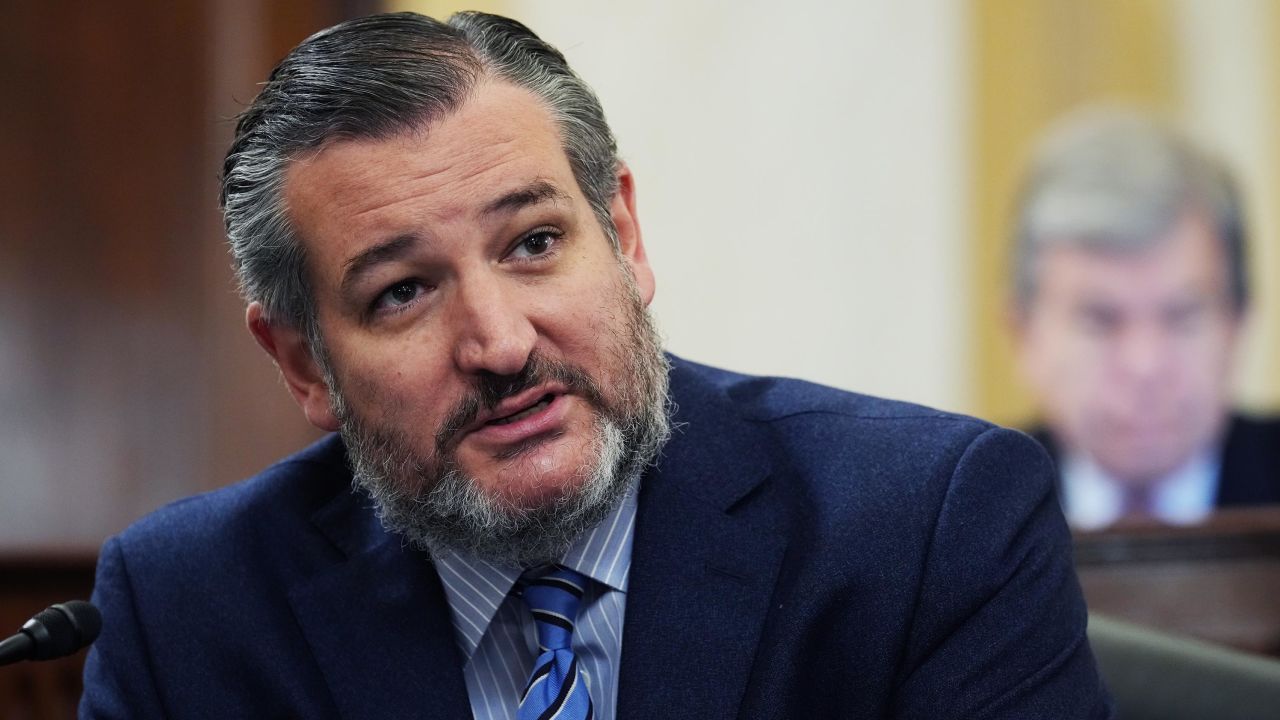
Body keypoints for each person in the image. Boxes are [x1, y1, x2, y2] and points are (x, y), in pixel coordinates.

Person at [80, 12, 1112, 718]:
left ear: (622, 232)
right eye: (402, 292)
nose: (500, 343)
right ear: (305, 364)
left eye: (533, 243)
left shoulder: (926, 528)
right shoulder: (191, 611)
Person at [1011, 108, 1280, 531]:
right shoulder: (963, 522)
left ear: (1239, 324)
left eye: (1182, 317)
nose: (1145, 366)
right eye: (1100, 320)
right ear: (1023, 334)